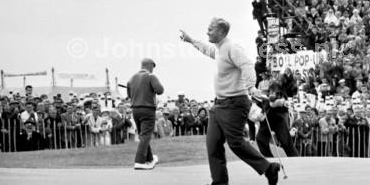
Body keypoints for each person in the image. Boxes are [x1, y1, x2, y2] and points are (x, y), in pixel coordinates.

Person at [180, 18, 281, 185]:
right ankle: (219, 182)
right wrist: (191, 40)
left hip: (235, 103)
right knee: (212, 143)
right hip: (219, 104)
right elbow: (206, 49)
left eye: (210, 29)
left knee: (236, 143)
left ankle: (269, 169)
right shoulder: (220, 49)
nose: (207, 32)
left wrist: (251, 88)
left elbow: (247, 65)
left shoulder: (232, 48)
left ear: (221, 32)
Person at [127, 58, 164, 170]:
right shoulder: (150, 76)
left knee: (143, 135)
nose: (153, 69)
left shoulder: (131, 78)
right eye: (153, 66)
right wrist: (150, 89)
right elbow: (160, 90)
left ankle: (150, 159)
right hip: (147, 109)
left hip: (135, 110)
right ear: (150, 65)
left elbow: (129, 95)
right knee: (146, 135)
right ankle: (139, 161)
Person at [256, 68, 299, 158]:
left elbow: (272, 103)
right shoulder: (275, 85)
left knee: (285, 142)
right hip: (270, 116)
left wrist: (281, 102)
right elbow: (271, 103)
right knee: (261, 139)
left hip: (277, 117)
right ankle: (270, 160)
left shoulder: (279, 86)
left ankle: (296, 160)